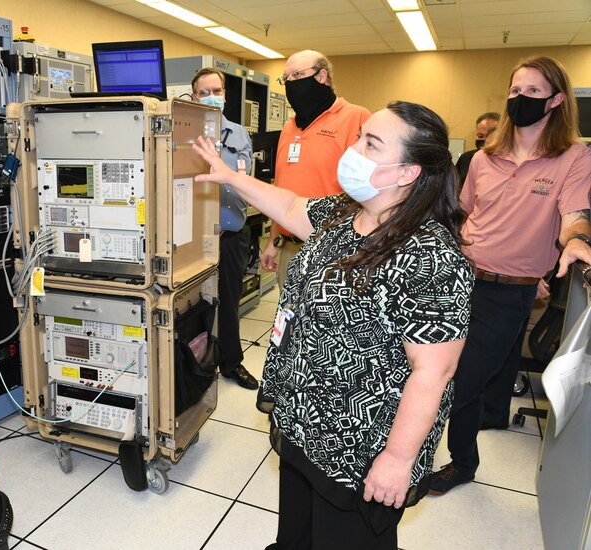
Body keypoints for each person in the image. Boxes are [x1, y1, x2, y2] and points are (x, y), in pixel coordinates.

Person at [193, 101, 473, 549]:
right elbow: (288, 203)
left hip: (359, 446)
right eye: (361, 136)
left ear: (407, 173)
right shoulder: (347, 213)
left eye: (371, 144)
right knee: (298, 535)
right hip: (305, 420)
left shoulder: (431, 257)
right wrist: (232, 178)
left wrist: (397, 461)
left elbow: (433, 371)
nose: (354, 148)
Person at [430, 56, 591, 496]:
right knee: (446, 370)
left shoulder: (573, 158)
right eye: (515, 90)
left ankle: (418, 454)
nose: (519, 99)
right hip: (460, 278)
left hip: (508, 295)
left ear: (556, 100)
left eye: (533, 92)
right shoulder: (485, 158)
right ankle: (463, 463)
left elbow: (574, 214)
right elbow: (464, 216)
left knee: (461, 383)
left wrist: (577, 241)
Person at [261, 50, 370, 291]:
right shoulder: (289, 127)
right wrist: (274, 240)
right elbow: (283, 187)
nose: (290, 83)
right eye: (286, 78)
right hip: (291, 247)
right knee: (289, 321)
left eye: (297, 75)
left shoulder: (357, 117)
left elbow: (370, 189)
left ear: (322, 77)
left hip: (335, 250)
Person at [190, 68, 257, 390]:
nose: (211, 96)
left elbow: (248, 180)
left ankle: (231, 363)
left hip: (231, 233)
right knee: (192, 303)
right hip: (194, 239)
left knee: (228, 302)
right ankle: (194, 362)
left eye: (216, 90)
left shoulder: (240, 134)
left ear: (225, 95)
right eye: (204, 92)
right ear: (193, 97)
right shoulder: (182, 135)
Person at [455, 112, 500, 185]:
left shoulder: (507, 162)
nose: (486, 140)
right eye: (480, 136)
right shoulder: (465, 159)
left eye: (491, 136)